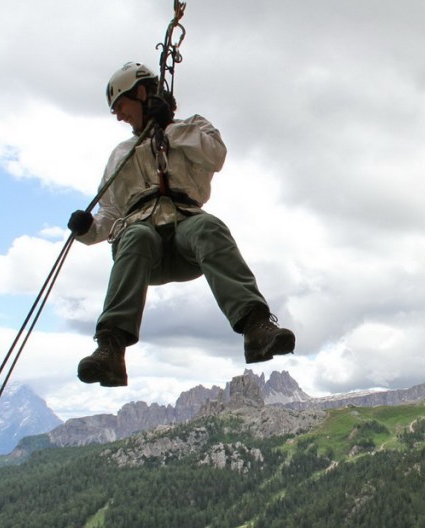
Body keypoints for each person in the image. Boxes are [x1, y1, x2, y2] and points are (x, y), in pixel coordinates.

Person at [67, 62, 295, 387]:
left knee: (208, 228)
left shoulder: (193, 127)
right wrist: (86, 228)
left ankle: (256, 326)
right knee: (136, 237)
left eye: (120, 106)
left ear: (142, 94)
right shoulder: (121, 154)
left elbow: (215, 156)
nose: (118, 116)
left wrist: (170, 129)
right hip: (143, 241)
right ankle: (110, 348)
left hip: (185, 226)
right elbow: (110, 214)